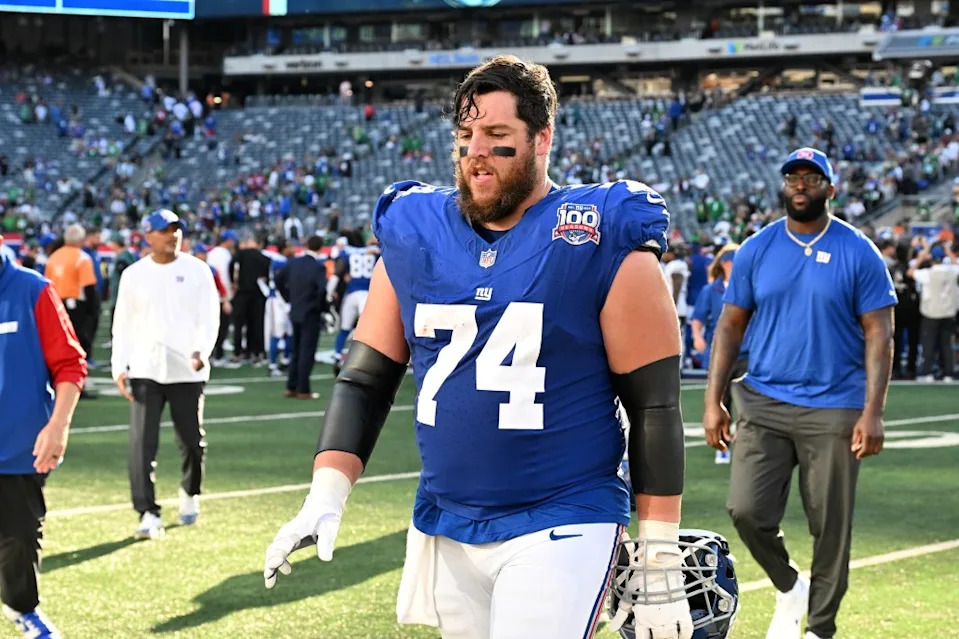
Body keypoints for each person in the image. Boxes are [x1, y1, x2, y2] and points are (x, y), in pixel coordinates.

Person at [264, 55, 694, 639]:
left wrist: (660, 552)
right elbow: (365, 379)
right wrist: (326, 494)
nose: (476, 152)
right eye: (466, 135)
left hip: (564, 514)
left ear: (542, 138)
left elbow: (654, 404)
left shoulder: (599, 229)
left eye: (496, 134)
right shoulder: (416, 227)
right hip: (447, 518)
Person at [702, 148, 896, 639]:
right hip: (763, 399)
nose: (801, 185)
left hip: (835, 405)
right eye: (793, 177)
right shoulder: (756, 248)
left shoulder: (859, 251)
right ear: (783, 186)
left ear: (831, 188)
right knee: (746, 510)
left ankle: (820, 628)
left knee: (829, 525)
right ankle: (790, 585)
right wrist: (713, 400)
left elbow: (879, 334)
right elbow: (730, 326)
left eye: (812, 177)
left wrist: (873, 411)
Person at [110, 210, 220, 540]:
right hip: (145, 369)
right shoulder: (133, 275)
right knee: (142, 445)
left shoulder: (198, 270)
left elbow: (209, 317)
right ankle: (147, 512)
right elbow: (122, 323)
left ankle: (190, 492)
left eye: (176, 229)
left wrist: (202, 350)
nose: (172, 235)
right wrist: (119, 366)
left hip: (188, 370)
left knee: (192, 441)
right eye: (164, 230)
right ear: (148, 236)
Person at [0, 233, 87, 638]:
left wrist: (58, 425)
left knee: (19, 538)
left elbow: (70, 364)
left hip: (19, 448)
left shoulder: (33, 290)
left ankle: (21, 608)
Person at [689, 242, 745, 464]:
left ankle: (746, 445)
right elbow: (698, 317)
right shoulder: (711, 290)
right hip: (721, 353)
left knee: (750, 402)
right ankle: (722, 445)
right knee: (721, 399)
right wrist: (697, 336)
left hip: (747, 351)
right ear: (724, 264)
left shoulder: (748, 286)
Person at [44, 224, 99, 381]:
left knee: (60, 344)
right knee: (79, 344)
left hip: (56, 304)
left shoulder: (53, 257)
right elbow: (89, 287)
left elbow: (46, 284)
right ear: (81, 240)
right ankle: (78, 381)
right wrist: (94, 311)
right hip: (77, 306)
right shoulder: (82, 258)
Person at [275, 235, 327, 399]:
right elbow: (322, 290)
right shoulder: (318, 267)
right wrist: (321, 307)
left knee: (296, 349)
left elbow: (278, 279)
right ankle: (303, 389)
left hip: (295, 310)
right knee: (307, 351)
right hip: (310, 313)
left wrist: (289, 298)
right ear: (320, 248)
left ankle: (291, 386)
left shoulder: (294, 262)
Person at [907, 238, 958, 381]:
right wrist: (949, 252)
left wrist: (922, 256)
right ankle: (948, 374)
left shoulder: (927, 273)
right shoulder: (952, 271)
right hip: (948, 313)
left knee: (928, 344)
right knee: (947, 345)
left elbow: (910, 272)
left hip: (931, 313)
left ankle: (927, 373)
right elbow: (956, 266)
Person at [329, 229, 379, 368]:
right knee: (370, 329)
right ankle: (370, 357)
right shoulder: (374, 250)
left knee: (344, 327)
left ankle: (337, 354)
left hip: (351, 293)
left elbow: (338, 271)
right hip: (367, 293)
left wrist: (330, 292)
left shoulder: (346, 252)